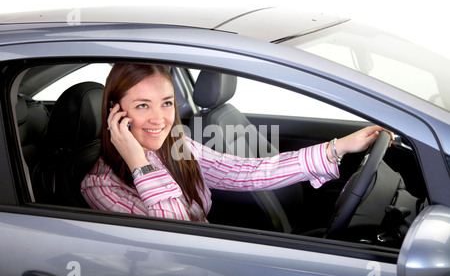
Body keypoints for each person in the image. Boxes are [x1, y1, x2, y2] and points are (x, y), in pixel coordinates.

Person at [81, 63, 393, 223]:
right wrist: (140, 163)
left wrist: (337, 147)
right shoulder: (100, 186)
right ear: (116, 112)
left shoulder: (178, 145)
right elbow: (177, 239)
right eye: (142, 106)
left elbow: (246, 172)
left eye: (166, 103)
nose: (160, 119)